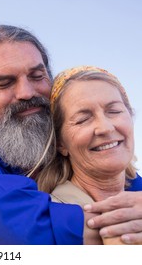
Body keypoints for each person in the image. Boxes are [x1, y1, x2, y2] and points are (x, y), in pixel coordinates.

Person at [0, 24, 142, 244]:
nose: (26, 92)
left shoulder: (81, 153)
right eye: (5, 83)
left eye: (37, 76)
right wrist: (123, 228)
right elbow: (24, 228)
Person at [33, 66, 140, 244]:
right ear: (60, 143)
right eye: (83, 119)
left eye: (114, 111)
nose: (105, 128)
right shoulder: (48, 222)